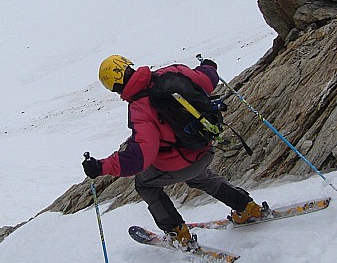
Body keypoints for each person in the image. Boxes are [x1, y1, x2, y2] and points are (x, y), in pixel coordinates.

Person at [82, 55, 265, 251]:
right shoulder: (170, 72)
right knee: (199, 176)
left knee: (144, 184)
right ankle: (247, 207)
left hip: (181, 163)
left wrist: (101, 167)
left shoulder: (140, 109)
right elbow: (207, 79)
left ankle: (178, 233)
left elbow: (140, 158)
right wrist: (208, 66)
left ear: (114, 86)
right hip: (204, 148)